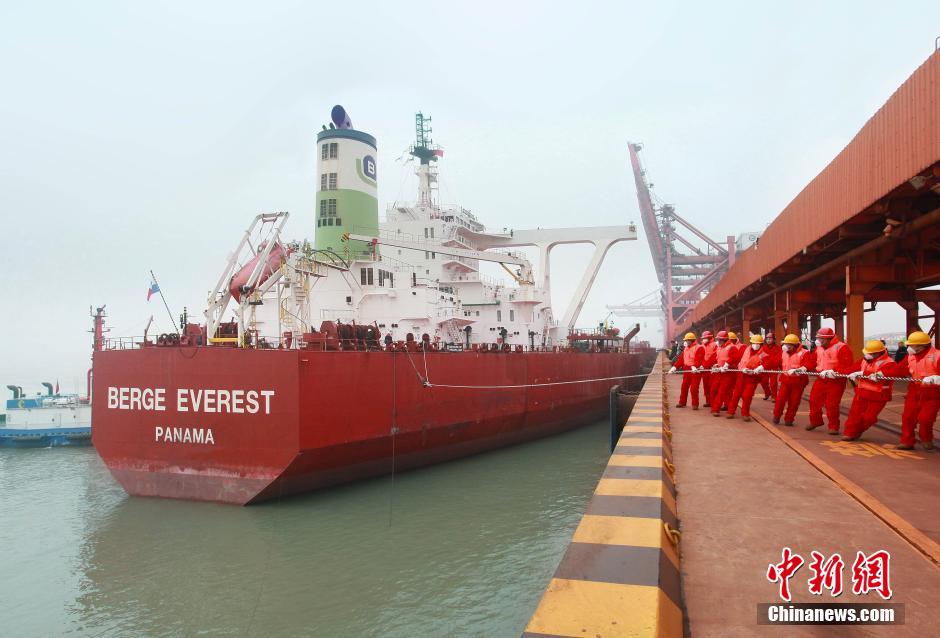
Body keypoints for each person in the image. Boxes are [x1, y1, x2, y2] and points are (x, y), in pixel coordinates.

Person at [842, 340, 904, 441]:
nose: (868, 355)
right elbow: (852, 369)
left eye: (870, 353)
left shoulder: (889, 363)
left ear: (878, 353)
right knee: (854, 415)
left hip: (878, 396)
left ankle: (857, 431)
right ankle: (849, 433)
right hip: (861, 393)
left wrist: (863, 373)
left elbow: (879, 377)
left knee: (869, 418)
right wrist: (833, 372)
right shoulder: (864, 360)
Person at [802, 326, 856, 434]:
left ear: (828, 339)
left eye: (821, 338)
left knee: (831, 404)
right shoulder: (820, 348)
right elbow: (812, 360)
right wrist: (804, 367)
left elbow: (848, 366)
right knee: (813, 400)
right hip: (821, 379)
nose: (818, 341)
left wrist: (834, 372)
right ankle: (815, 421)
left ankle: (833, 427)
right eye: (818, 338)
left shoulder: (842, 348)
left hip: (835, 381)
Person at [898, 331, 940, 450]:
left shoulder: (938, 356)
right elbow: (898, 370)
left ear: (921, 346)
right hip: (915, 389)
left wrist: (937, 378)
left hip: (933, 392)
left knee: (925, 419)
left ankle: (926, 438)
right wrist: (877, 374)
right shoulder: (910, 357)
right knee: (908, 417)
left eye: (912, 345)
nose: (909, 347)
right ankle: (907, 441)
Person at [774, 334, 815, 426]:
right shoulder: (782, 353)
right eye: (785, 344)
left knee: (794, 401)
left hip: (799, 382)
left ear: (795, 345)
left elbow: (809, 364)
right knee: (780, 400)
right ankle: (776, 416)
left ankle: (789, 419)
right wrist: (761, 366)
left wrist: (801, 369)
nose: (786, 346)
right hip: (785, 380)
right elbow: (774, 361)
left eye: (789, 345)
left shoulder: (805, 353)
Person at [727, 334, 765, 421]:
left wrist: (760, 368)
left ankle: (745, 413)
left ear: (761, 344)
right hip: (741, 375)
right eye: (754, 343)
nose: (755, 345)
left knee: (747, 396)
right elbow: (739, 360)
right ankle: (731, 412)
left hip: (752, 378)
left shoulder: (763, 354)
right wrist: (741, 368)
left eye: (758, 343)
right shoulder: (746, 349)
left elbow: (768, 363)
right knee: (736, 395)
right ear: (751, 343)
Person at [669, 332, 705, 409]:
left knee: (694, 388)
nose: (685, 342)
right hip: (687, 370)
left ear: (691, 340)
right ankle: (682, 402)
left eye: (687, 340)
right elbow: (681, 359)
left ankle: (695, 404)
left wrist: (695, 366)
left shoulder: (699, 347)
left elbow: (699, 359)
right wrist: (675, 367)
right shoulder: (686, 349)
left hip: (695, 371)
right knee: (684, 387)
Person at [710, 330, 742, 416]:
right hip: (720, 371)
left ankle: (716, 409)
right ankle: (725, 406)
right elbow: (719, 358)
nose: (718, 341)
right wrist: (716, 365)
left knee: (722, 391)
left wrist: (727, 365)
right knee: (715, 389)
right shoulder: (720, 347)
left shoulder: (732, 347)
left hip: (728, 373)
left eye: (720, 340)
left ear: (724, 340)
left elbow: (736, 358)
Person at [760, 332, 782, 401]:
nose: (768, 340)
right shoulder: (763, 348)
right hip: (764, 368)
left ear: (774, 340)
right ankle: (767, 393)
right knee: (763, 382)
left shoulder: (778, 348)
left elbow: (779, 359)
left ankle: (774, 397)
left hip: (773, 368)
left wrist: (782, 368)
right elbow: (760, 358)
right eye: (767, 339)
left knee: (773, 383)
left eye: (770, 339)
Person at [700, 330, 718, 407]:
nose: (703, 340)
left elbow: (714, 358)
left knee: (712, 386)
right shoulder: (702, 346)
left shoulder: (714, 345)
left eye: (705, 338)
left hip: (711, 369)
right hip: (704, 369)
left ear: (709, 338)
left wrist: (705, 365)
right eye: (703, 338)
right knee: (706, 386)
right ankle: (708, 401)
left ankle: (713, 402)